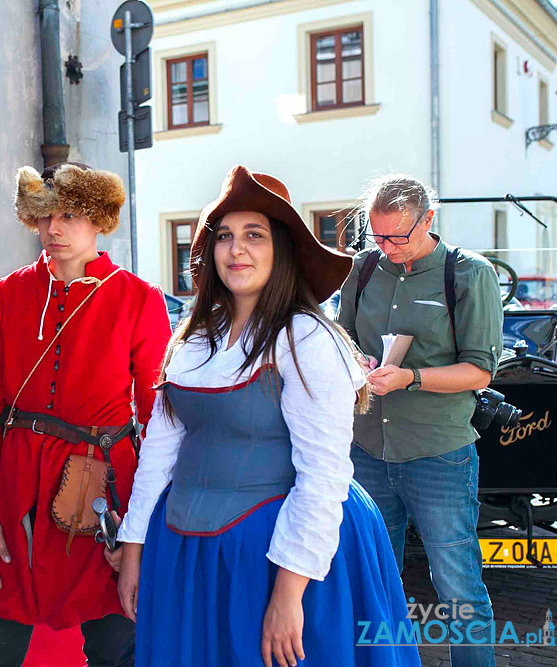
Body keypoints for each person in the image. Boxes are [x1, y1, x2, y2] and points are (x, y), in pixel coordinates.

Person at [116, 166, 421, 667]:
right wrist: (133, 548)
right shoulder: (192, 338)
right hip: (187, 552)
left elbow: (322, 475)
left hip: (282, 555)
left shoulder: (307, 339)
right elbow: (160, 450)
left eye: (253, 235)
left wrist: (288, 594)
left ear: (281, 249)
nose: (237, 249)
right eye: (225, 236)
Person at [0, 163, 171, 667]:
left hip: (105, 491)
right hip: (17, 485)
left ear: (97, 220)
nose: (55, 228)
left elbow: (160, 420)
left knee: (117, 649)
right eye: (46, 215)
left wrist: (140, 525)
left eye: (70, 215)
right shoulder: (4, 295)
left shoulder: (139, 298)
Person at [336, 175, 503, 667]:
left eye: (398, 237)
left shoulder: (469, 274)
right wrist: (356, 361)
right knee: (373, 578)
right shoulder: (363, 269)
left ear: (429, 220)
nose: (386, 248)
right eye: (378, 236)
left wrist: (409, 377)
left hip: (439, 453)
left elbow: (479, 371)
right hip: (366, 450)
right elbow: (340, 337)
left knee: (457, 583)